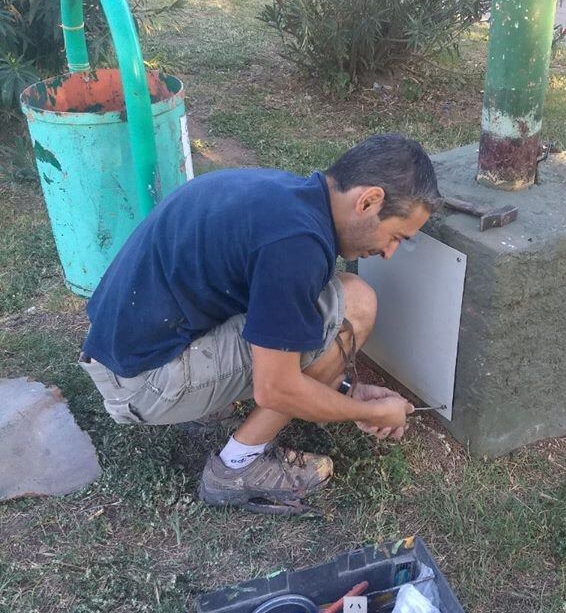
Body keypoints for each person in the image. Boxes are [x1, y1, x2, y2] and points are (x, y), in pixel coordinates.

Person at [79, 134, 442, 514]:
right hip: (143, 385)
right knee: (355, 302)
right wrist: (371, 414)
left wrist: (348, 390)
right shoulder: (296, 246)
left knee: (317, 310)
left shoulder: (285, 194)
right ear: (369, 201)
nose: (388, 253)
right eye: (397, 236)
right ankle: (234, 469)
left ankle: (208, 405)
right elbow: (277, 390)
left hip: (121, 352)